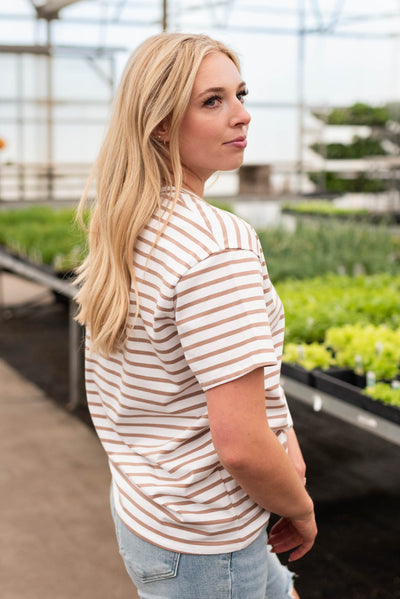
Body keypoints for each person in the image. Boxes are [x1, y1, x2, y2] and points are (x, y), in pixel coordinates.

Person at [75, 32, 317, 599]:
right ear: (161, 123)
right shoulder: (217, 246)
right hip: (209, 541)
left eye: (241, 94)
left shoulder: (131, 222)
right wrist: (300, 508)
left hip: (150, 510)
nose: (243, 116)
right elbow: (239, 444)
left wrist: (286, 441)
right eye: (213, 101)